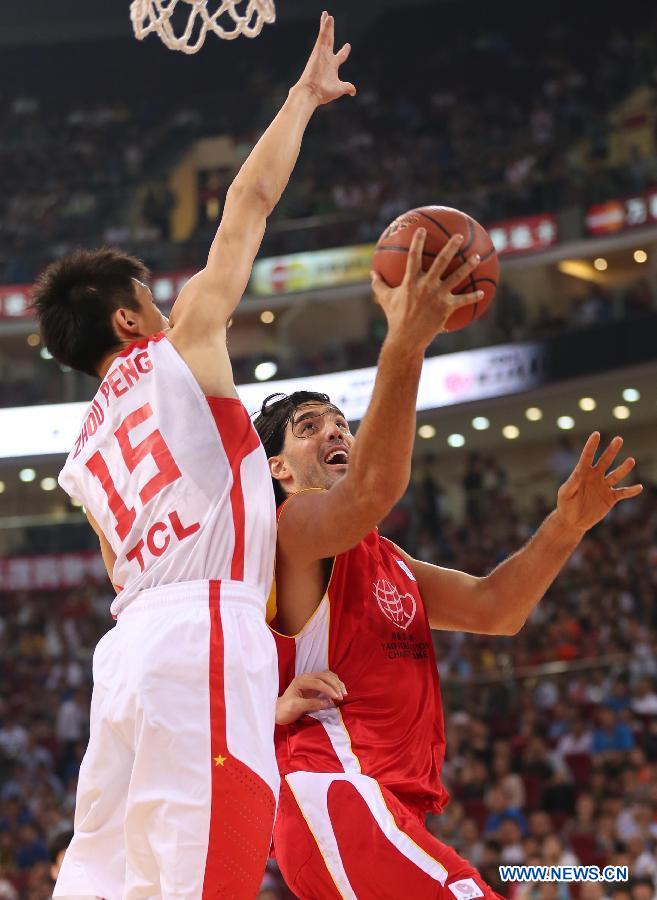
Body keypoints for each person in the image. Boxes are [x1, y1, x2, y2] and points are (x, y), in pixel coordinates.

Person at [32, 13, 355, 899]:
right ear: (131, 320)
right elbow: (246, 206)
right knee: (204, 874)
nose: (170, 309)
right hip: (206, 628)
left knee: (105, 877)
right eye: (152, 300)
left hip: (125, 655)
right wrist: (300, 98)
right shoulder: (181, 351)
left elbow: (121, 572)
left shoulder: (81, 453)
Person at [253, 229, 642, 899]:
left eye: (340, 421)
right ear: (278, 469)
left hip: (386, 808)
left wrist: (565, 525)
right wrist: (406, 341)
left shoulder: (384, 557)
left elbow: (497, 609)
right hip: (338, 792)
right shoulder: (290, 530)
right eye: (310, 425)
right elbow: (373, 489)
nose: (336, 431)